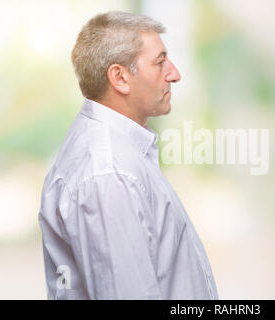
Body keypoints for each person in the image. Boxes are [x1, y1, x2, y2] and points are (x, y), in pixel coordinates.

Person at [38, 11, 218, 300]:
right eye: (160, 62)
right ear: (120, 77)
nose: (174, 73)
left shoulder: (118, 158)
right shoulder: (108, 173)